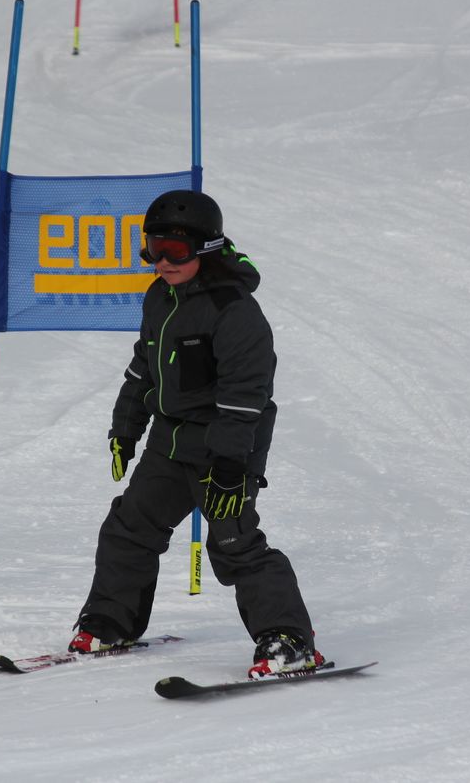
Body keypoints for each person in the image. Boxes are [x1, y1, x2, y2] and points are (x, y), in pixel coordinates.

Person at [69, 189, 323, 678]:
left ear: (206, 249)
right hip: (169, 444)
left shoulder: (234, 310)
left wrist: (231, 467)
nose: (162, 261)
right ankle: (110, 621)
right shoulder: (160, 296)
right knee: (129, 529)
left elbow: (246, 396)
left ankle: (288, 640)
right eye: (153, 247)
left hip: (222, 448)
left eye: (176, 251)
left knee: (235, 544)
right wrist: (126, 430)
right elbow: (143, 369)